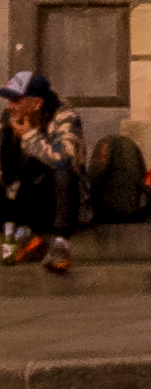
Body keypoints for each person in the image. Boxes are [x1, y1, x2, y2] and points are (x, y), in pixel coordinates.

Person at [0, 69, 77, 273]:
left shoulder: (64, 117)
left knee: (63, 169)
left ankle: (60, 243)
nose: (10, 106)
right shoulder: (8, 120)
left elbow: (64, 158)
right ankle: (21, 235)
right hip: (23, 195)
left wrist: (30, 137)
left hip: (55, 199)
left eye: (16, 100)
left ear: (36, 103)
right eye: (8, 99)